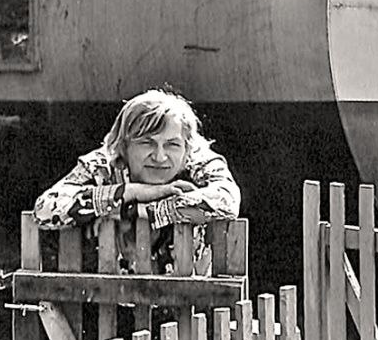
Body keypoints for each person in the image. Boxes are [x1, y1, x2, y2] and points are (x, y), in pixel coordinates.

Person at [33, 89, 241, 273]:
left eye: (172, 145)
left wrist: (139, 210)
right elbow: (45, 210)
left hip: (188, 296)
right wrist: (131, 192)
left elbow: (228, 200)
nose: (160, 157)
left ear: (186, 147)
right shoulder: (102, 164)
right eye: (147, 143)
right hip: (104, 292)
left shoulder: (198, 161)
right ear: (124, 146)